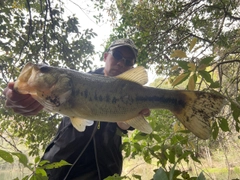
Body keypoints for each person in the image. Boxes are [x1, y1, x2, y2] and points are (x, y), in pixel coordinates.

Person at [3, 38, 150, 180]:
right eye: (117, 55)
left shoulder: (133, 95)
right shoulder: (74, 81)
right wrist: (19, 98)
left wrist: (129, 118)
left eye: (128, 60)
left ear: (132, 67)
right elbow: (42, 97)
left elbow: (124, 125)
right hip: (58, 169)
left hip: (105, 172)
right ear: (105, 56)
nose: (120, 62)